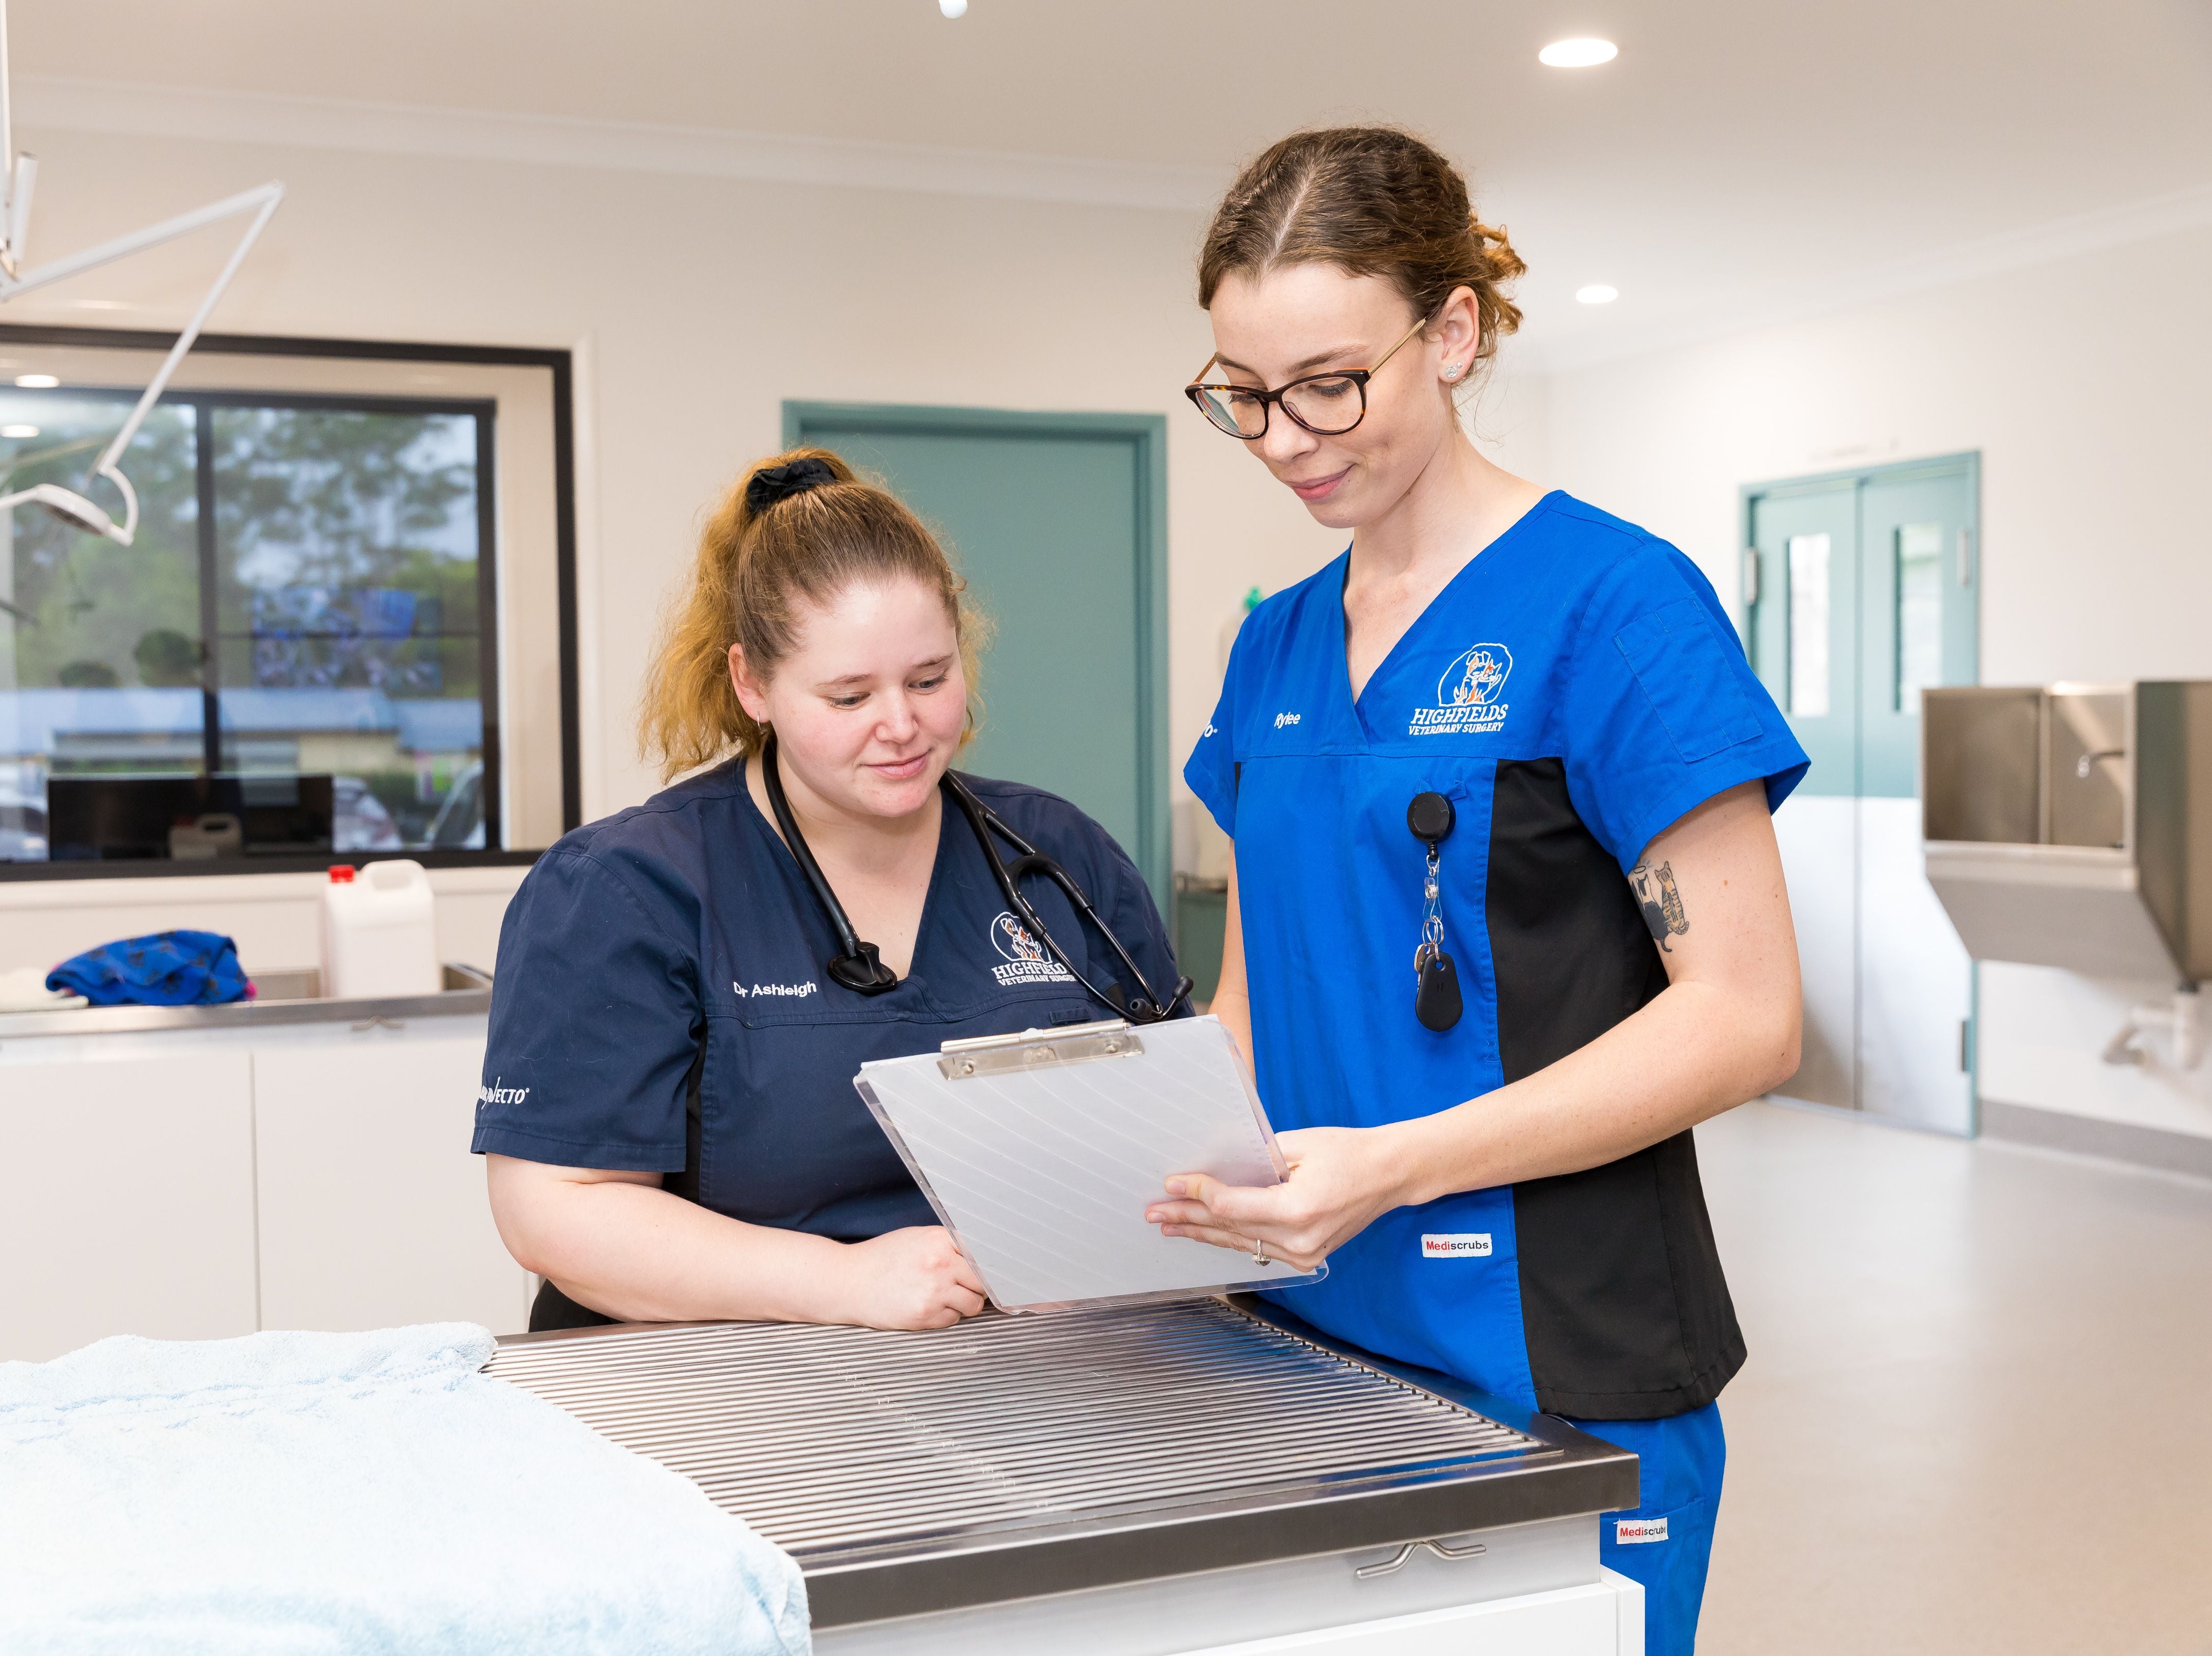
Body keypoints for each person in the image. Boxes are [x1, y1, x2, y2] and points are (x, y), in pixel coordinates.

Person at [1144, 127, 1808, 1656]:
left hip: (1555, 1355)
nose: (1285, 438)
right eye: (1243, 394)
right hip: (1305, 1341)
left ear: (1451, 333)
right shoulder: (1275, 642)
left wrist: (1395, 1164)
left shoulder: (1615, 607)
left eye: (1330, 383)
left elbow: (1747, 1017)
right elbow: (1252, 1001)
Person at [475, 449, 1184, 1333]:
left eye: (930, 680)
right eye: (850, 698)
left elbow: (1174, 1116)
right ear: (752, 684)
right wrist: (838, 1281)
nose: (903, 726)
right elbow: (553, 1210)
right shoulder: (627, 888)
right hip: (716, 1378)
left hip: (1010, 1365)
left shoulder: (1057, 853)